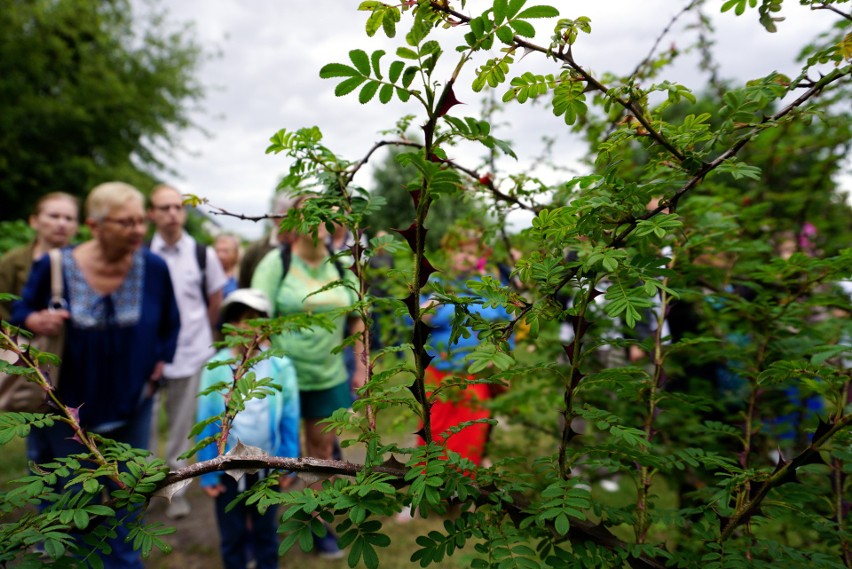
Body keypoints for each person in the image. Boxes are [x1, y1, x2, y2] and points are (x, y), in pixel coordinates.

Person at [12, 181, 180, 568]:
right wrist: (36, 318)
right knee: (78, 501)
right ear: (95, 225)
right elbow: (20, 313)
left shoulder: (154, 267)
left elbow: (171, 324)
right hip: (67, 411)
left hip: (133, 405)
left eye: (141, 220)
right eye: (126, 222)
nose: (139, 230)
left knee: (130, 493)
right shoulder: (54, 265)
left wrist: (159, 363)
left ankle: (125, 564)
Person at [250, 194, 366, 558]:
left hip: (327, 375)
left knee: (321, 452)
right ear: (296, 222)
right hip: (279, 377)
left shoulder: (342, 268)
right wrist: (266, 361)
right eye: (316, 217)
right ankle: (258, 529)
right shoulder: (275, 263)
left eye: (332, 218)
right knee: (267, 452)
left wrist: (362, 365)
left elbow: (359, 315)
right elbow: (255, 319)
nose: (326, 225)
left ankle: (314, 523)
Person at [196, 288, 299, 569]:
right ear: (230, 326)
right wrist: (206, 472)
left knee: (267, 531)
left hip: (268, 464)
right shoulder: (216, 367)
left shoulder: (280, 366)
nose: (249, 327)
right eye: (241, 319)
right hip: (227, 468)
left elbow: (290, 417)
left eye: (256, 319)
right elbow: (205, 422)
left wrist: (289, 462)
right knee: (232, 533)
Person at [147, 184, 227, 519]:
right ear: (152, 213)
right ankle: (146, 488)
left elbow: (214, 299)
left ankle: (175, 491)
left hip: (191, 353)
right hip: (148, 358)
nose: (171, 214)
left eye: (177, 207)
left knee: (182, 430)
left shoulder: (201, 254)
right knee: (145, 429)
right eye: (163, 208)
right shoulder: (141, 253)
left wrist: (202, 337)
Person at [417, 228, 514, 469]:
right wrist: (428, 310)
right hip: (440, 376)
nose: (465, 257)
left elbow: (507, 326)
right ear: (448, 253)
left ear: (481, 256)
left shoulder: (492, 287)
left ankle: (460, 492)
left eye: (471, 252)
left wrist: (501, 357)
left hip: (476, 377)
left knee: (470, 434)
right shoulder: (438, 283)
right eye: (459, 250)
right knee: (435, 434)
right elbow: (414, 323)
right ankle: (429, 486)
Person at [0, 192, 79, 321]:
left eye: (69, 218)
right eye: (54, 216)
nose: (62, 223)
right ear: (34, 221)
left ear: (76, 227)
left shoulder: (88, 261)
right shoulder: (12, 261)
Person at [238, 191, 299, 289]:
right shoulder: (256, 250)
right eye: (290, 216)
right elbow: (244, 287)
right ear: (276, 219)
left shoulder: (307, 247)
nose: (296, 222)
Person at [214, 233, 241, 298]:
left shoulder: (240, 276)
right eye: (218, 251)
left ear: (235, 253)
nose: (220, 256)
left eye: (225, 251)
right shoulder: (207, 274)